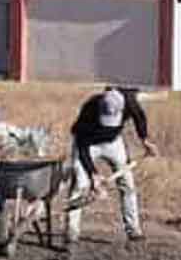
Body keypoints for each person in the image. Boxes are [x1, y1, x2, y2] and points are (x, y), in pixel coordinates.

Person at [66, 86, 159, 245]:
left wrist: (145, 141)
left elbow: (139, 117)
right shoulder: (89, 109)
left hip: (113, 143)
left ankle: (133, 230)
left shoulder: (129, 102)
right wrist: (93, 174)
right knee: (80, 186)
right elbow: (82, 146)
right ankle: (71, 233)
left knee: (127, 185)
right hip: (89, 145)